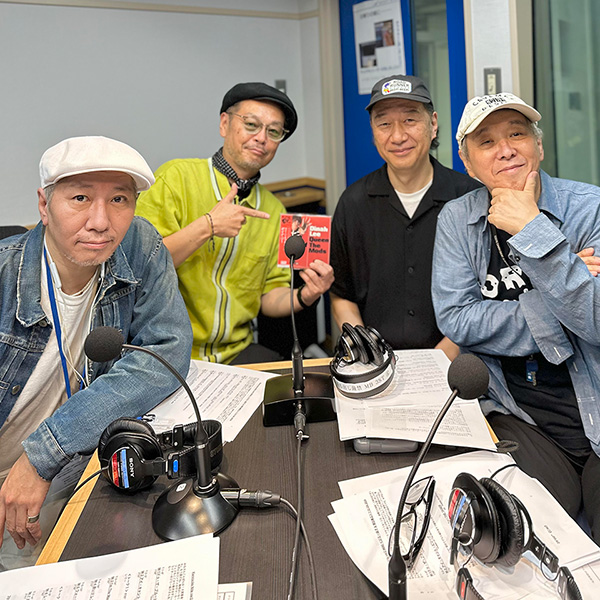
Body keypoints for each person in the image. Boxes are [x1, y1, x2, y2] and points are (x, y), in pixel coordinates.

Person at [0, 136, 192, 554]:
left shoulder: (138, 245)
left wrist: (43, 454)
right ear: (44, 205)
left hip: (70, 460)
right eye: (80, 198)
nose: (101, 222)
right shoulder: (4, 274)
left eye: (119, 199)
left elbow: (167, 349)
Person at [432, 93, 600, 541]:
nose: (505, 149)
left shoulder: (591, 208)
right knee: (526, 535)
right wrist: (562, 293)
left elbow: (597, 320)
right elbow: (457, 319)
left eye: (517, 134)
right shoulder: (456, 220)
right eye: (486, 142)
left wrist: (532, 229)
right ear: (468, 164)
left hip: (595, 405)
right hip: (519, 414)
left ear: (538, 147)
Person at [136, 82, 334, 365]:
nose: (261, 138)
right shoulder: (175, 178)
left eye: (274, 131)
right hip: (167, 350)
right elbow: (140, 267)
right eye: (251, 124)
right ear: (224, 124)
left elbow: (270, 296)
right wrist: (207, 226)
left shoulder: (274, 211)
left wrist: (306, 295)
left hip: (236, 351)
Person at [330, 75, 481, 359]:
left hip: (458, 363)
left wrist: (440, 359)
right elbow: (342, 294)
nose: (398, 136)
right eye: (384, 124)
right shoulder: (353, 203)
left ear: (433, 124)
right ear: (373, 131)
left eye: (410, 120)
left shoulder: (469, 198)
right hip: (375, 363)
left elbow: (486, 293)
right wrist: (366, 350)